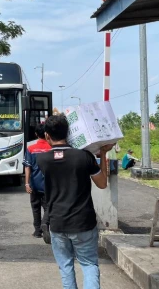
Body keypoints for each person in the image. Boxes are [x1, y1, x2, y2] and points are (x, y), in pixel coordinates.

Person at [37, 115, 113, 289]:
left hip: (58, 222)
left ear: (47, 135)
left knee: (65, 267)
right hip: (83, 222)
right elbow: (102, 184)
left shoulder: (42, 160)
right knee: (89, 264)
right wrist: (102, 153)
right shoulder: (84, 157)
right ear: (68, 132)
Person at [23, 124, 51, 240]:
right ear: (46, 134)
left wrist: (27, 183)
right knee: (48, 207)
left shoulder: (30, 149)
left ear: (36, 134)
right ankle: (46, 225)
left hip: (34, 183)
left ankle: (37, 231)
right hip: (48, 185)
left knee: (35, 207)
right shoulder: (51, 148)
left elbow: (27, 167)